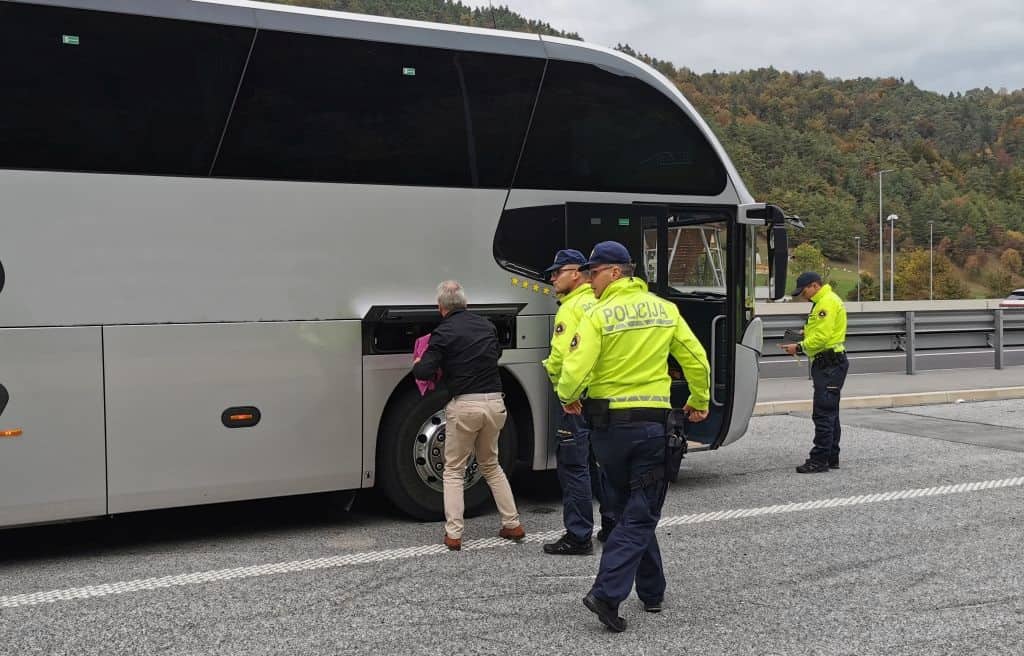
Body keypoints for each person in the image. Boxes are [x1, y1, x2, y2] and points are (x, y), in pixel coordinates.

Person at [556, 241, 710, 633]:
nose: (589, 281)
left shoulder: (598, 314)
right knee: (640, 515)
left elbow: (576, 366)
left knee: (629, 511)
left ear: (615, 272)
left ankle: (653, 592)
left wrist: (568, 397)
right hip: (651, 429)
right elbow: (695, 358)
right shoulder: (664, 309)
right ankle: (607, 594)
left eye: (593, 274)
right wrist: (698, 400)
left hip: (609, 433)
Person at [412, 281, 525, 550]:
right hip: (495, 403)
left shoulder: (443, 332)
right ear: (467, 304)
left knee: (453, 470)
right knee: (491, 465)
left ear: (441, 309)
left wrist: (419, 362)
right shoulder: (486, 326)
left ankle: (454, 534)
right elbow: (495, 353)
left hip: (465, 407)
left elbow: (423, 372)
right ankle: (513, 524)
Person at [541, 249, 616, 556]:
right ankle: (611, 525)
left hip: (576, 401)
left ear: (576, 273)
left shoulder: (570, 308)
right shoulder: (598, 302)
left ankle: (578, 535)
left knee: (574, 467)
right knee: (600, 465)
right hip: (599, 398)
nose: (552, 278)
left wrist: (562, 390)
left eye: (558, 272)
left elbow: (562, 357)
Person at [780, 271, 849, 473]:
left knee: (823, 413)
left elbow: (822, 337)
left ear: (814, 285)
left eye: (804, 291)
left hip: (829, 363)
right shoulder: (823, 301)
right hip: (830, 362)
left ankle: (819, 460)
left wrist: (799, 348)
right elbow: (821, 332)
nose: (803, 296)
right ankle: (831, 457)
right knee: (831, 413)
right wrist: (804, 334)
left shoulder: (825, 303)